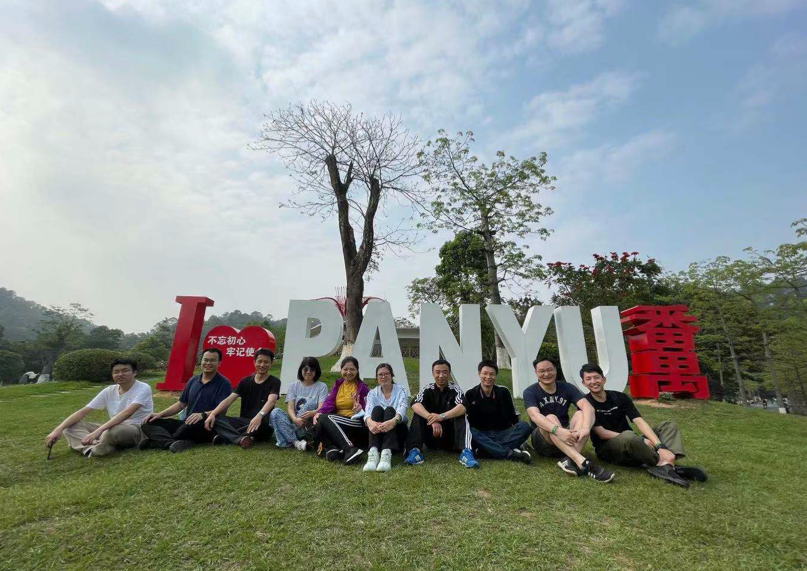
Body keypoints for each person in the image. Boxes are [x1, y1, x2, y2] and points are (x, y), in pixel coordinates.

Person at [581, 363, 706, 487]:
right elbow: (601, 433)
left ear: (604, 379)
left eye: (596, 377)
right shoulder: (585, 402)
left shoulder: (620, 397)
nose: (593, 381)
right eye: (588, 379)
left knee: (667, 425)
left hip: (633, 442)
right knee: (628, 436)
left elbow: (639, 421)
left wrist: (660, 445)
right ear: (584, 383)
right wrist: (640, 440)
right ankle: (664, 465)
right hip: (608, 448)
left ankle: (667, 464)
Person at [523, 357, 614, 483]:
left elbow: (588, 407)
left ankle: (568, 460)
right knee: (550, 417)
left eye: (550, 369)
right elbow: (534, 416)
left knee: (582, 413)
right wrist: (558, 430)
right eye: (542, 371)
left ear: (556, 369)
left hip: (566, 439)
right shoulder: (530, 391)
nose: (546, 374)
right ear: (536, 373)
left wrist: (586, 428)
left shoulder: (567, 387)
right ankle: (583, 462)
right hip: (543, 441)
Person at [44, 358, 153, 457]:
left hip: (135, 429)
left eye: (125, 371)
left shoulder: (143, 388)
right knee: (69, 427)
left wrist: (98, 431)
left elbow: (127, 412)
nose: (120, 374)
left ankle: (88, 443)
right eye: (116, 372)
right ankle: (94, 448)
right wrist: (58, 429)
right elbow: (83, 412)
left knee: (112, 431)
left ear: (134, 373)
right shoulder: (109, 390)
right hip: (111, 427)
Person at [140, 348, 231, 453]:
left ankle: (157, 441)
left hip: (206, 424)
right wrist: (160, 414)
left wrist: (203, 415)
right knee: (149, 423)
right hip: (186, 422)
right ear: (201, 361)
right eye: (205, 360)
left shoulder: (224, 383)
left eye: (212, 360)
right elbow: (181, 404)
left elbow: (222, 410)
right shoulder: (193, 380)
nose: (208, 363)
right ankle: (175, 442)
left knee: (189, 426)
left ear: (219, 363)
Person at [403, 359, 478, 468]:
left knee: (460, 415)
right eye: (438, 372)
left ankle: (466, 452)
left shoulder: (455, 389)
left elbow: (463, 407)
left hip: (450, 438)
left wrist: (441, 417)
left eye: (444, 372)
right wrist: (431, 418)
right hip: (430, 436)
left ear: (449, 373)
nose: (441, 375)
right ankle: (415, 452)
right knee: (418, 414)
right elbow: (415, 403)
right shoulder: (428, 389)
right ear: (433, 373)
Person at [204, 348, 280, 449]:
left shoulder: (274, 382)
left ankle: (228, 436)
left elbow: (272, 401)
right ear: (254, 362)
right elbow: (229, 399)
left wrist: (259, 416)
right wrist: (213, 414)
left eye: (266, 362)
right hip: (244, 421)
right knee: (217, 419)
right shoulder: (245, 381)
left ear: (272, 363)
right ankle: (241, 438)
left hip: (262, 423)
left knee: (258, 426)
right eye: (259, 361)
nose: (262, 365)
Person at [464, 360, 532, 464]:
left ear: (496, 375)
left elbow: (514, 416)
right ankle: (509, 454)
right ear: (479, 374)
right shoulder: (471, 393)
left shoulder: (503, 392)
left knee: (524, 426)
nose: (488, 377)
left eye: (492, 374)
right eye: (485, 373)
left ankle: (487, 451)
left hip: (503, 433)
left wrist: (518, 434)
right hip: (482, 435)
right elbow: (468, 420)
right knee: (471, 431)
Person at [311, 356, 369, 465]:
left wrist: (361, 408)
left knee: (325, 417)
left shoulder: (363, 388)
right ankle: (333, 449)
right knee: (318, 418)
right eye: (345, 369)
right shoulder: (338, 385)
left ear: (357, 371)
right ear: (341, 370)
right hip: (338, 422)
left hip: (355, 423)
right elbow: (328, 402)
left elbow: (369, 410)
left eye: (352, 369)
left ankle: (349, 449)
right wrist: (318, 413)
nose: (348, 372)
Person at [269, 356, 328, 450]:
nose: (308, 372)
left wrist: (313, 413)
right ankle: (295, 442)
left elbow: (321, 408)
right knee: (275, 412)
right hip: (294, 422)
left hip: (307, 424)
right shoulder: (293, 386)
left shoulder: (321, 386)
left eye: (312, 369)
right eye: (305, 369)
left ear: (316, 371)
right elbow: (290, 408)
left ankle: (285, 437)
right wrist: (295, 420)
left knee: (310, 404)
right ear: (301, 370)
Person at [362, 363, 409, 472]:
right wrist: (370, 422)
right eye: (380, 375)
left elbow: (402, 408)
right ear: (376, 378)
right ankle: (373, 454)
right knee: (377, 409)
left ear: (392, 375)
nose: (383, 377)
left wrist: (393, 421)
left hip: (397, 430)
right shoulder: (372, 393)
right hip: (378, 432)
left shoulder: (401, 390)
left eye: (386, 373)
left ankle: (386, 454)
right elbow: (368, 411)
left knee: (389, 410)